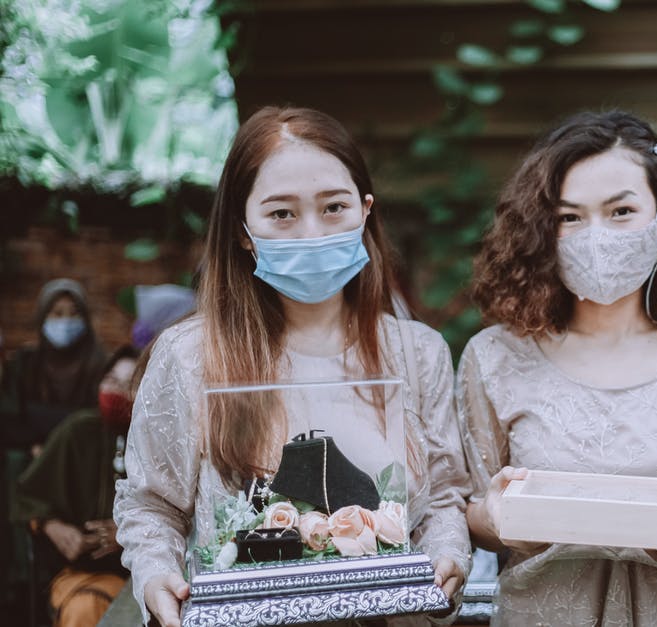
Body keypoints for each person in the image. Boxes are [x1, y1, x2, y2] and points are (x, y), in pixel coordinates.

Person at [112, 107, 472, 627]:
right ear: (242, 230)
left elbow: (442, 497)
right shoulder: (189, 357)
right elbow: (151, 506)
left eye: (334, 207)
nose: (311, 233)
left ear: (365, 210)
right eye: (282, 214)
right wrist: (154, 576)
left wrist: (448, 556)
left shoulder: (419, 353)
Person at [458, 110, 657, 626]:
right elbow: (472, 512)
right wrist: (499, 522)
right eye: (570, 217)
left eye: (621, 211)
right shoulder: (494, 357)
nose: (597, 236)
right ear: (542, 228)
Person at [15, 345, 139, 627]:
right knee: (86, 608)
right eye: (111, 381)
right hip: (80, 573)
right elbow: (28, 494)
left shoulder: (158, 438)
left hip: (147, 573)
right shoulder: (77, 430)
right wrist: (51, 526)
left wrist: (133, 532)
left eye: (129, 385)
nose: (116, 391)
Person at [2, 278, 110, 451]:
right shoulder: (24, 363)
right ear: (43, 317)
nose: (66, 321)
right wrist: (32, 444)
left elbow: (100, 421)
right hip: (29, 458)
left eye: (74, 313)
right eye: (57, 313)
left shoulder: (101, 365)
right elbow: (9, 414)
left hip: (82, 457)